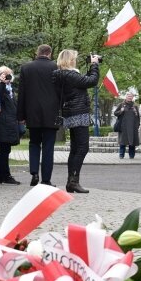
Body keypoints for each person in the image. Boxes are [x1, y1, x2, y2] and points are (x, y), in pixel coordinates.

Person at [52, 50, 100, 193]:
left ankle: (71, 181)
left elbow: (82, 83)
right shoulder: (70, 74)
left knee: (75, 148)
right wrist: (94, 65)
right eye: (74, 58)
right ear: (69, 60)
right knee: (82, 147)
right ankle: (73, 181)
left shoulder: (62, 74)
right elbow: (92, 81)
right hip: (78, 112)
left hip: (71, 112)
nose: (76, 60)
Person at [17, 44, 59, 186]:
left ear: (37, 53)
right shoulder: (56, 67)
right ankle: (46, 179)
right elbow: (60, 92)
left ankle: (34, 172)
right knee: (48, 146)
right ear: (49, 53)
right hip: (51, 114)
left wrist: (20, 115)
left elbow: (21, 93)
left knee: (34, 143)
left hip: (32, 114)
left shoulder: (26, 68)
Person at [0, 66, 21, 185]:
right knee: (3, 150)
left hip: (9, 122)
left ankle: (2, 175)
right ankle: (4, 175)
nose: (7, 76)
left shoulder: (10, 88)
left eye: (9, 74)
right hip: (2, 123)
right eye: (4, 74)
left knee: (5, 150)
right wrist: (2, 83)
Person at [114, 92, 140, 159]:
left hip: (133, 127)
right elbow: (115, 113)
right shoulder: (121, 105)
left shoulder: (135, 105)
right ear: (126, 97)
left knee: (132, 142)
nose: (129, 97)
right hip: (123, 126)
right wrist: (121, 111)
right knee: (123, 142)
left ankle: (131, 156)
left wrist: (137, 125)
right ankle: (121, 155)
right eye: (128, 96)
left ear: (132, 97)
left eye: (131, 96)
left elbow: (138, 116)